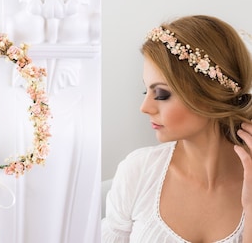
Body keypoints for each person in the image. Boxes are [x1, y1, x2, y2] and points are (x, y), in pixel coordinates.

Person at [102, 15, 252, 243]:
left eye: (161, 94)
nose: (145, 107)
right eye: (146, 92)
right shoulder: (138, 172)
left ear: (209, 95)